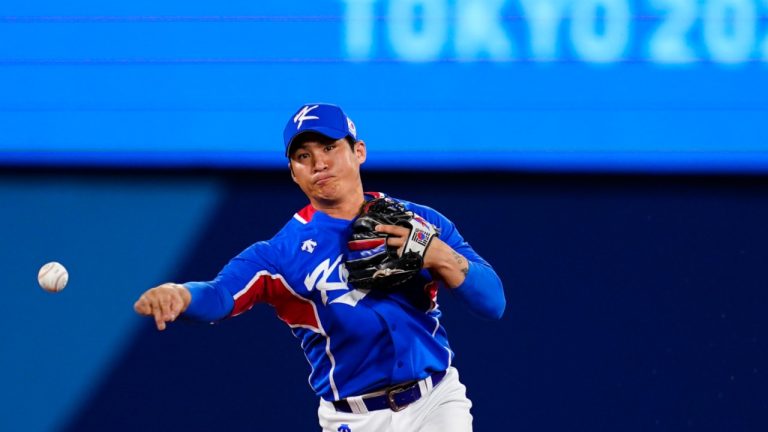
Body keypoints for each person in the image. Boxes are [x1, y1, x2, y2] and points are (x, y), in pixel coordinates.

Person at [133, 103, 506, 432]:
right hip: (353, 419)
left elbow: (493, 303)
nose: (319, 163)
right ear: (293, 172)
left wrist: (441, 256)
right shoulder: (279, 255)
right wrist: (180, 293)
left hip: (435, 402)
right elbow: (218, 295)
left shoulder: (421, 221)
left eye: (329, 147)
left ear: (358, 151)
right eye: (303, 156)